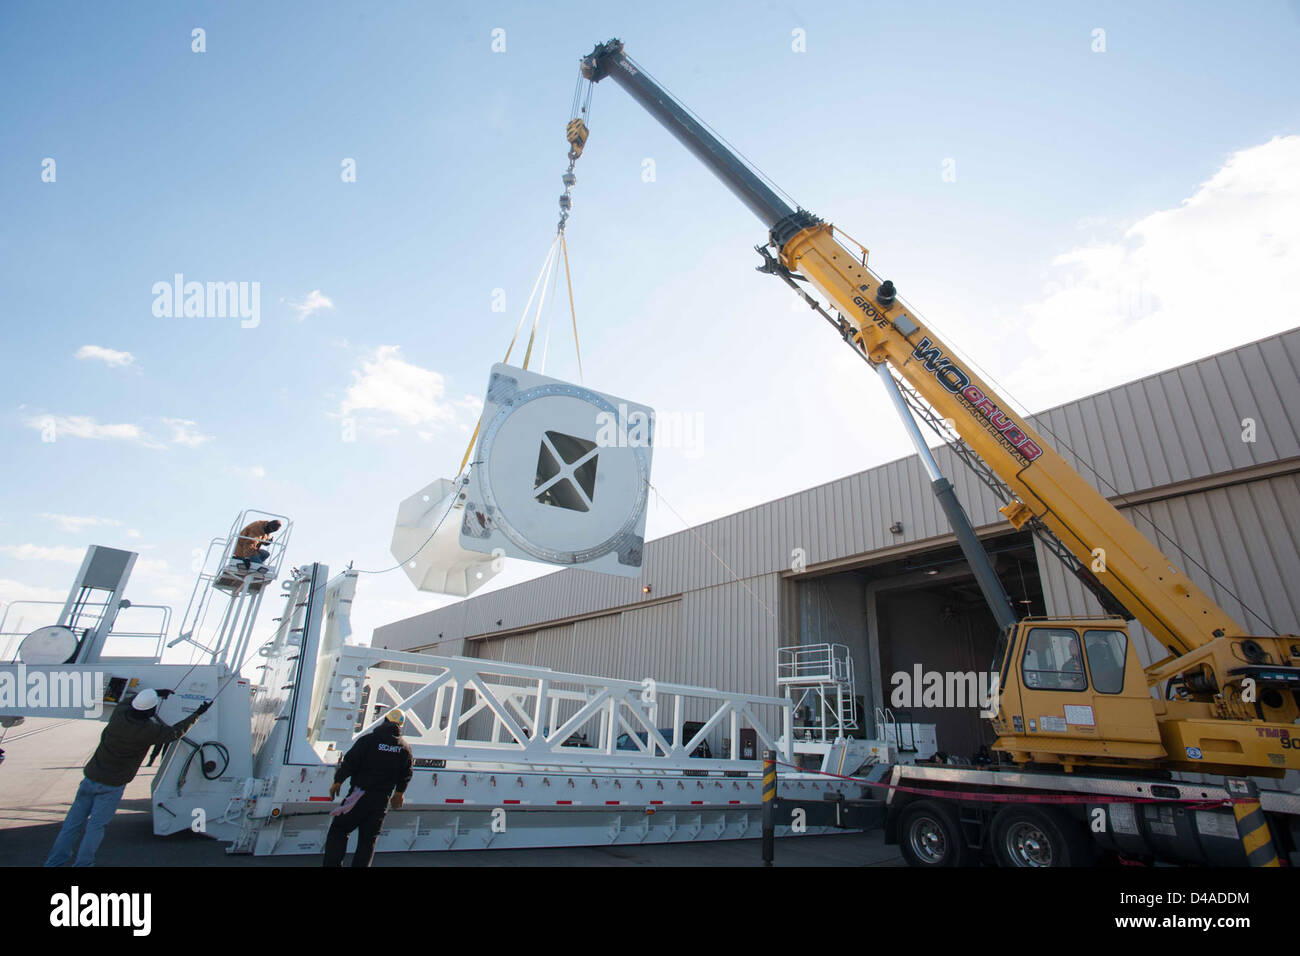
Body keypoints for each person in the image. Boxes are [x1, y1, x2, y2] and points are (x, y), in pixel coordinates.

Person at [45, 688, 211, 867]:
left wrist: (154, 692)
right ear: (151, 711)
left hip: (91, 778)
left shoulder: (119, 715)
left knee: (71, 825)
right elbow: (174, 733)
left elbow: (127, 701)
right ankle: (83, 864)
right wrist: (197, 714)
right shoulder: (148, 731)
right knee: (95, 828)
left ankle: (54, 863)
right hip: (112, 786)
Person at [323, 708, 413, 868]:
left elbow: (350, 762)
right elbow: (406, 774)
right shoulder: (404, 748)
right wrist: (399, 794)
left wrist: (338, 781)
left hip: (359, 796)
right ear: (400, 726)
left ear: (385, 720)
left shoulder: (369, 741)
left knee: (339, 829)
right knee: (368, 840)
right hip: (381, 801)